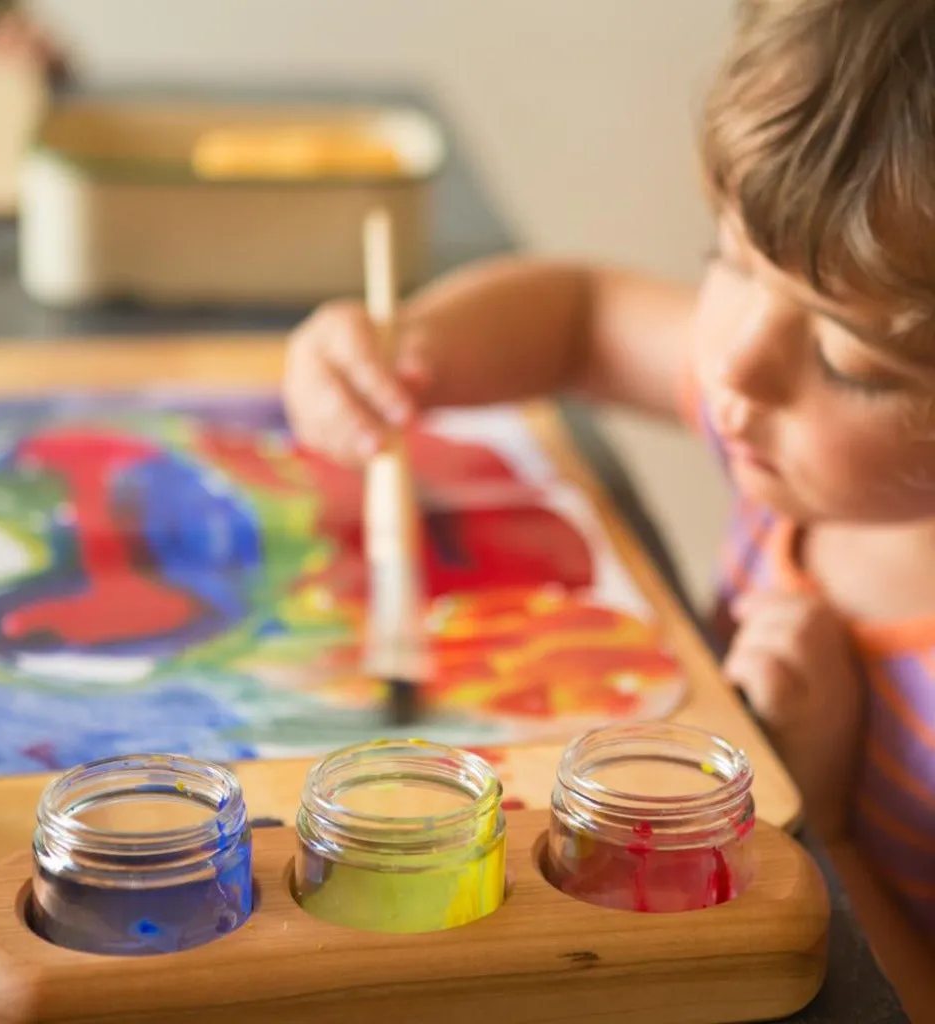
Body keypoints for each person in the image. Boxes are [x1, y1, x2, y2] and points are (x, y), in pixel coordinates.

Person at [283, 0, 935, 1015]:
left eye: (849, 361)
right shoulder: (776, 411)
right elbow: (580, 320)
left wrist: (825, 816)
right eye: (726, 258)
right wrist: (407, 352)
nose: (732, 366)